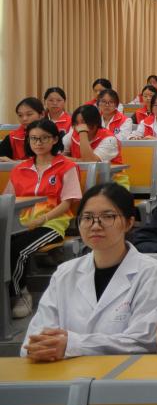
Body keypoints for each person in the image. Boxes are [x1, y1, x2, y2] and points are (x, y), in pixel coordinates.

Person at [22, 183, 157, 359]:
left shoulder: (150, 272)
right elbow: (35, 337)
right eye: (87, 217)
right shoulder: (65, 273)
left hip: (124, 371)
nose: (95, 226)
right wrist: (40, 347)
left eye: (108, 216)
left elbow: (143, 341)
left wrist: (72, 345)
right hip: (65, 371)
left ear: (129, 223)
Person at [3, 119, 82, 318]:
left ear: (54, 139)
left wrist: (43, 219)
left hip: (52, 224)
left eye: (44, 138)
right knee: (4, 245)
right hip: (21, 223)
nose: (38, 143)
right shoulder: (20, 168)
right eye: (33, 139)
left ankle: (20, 294)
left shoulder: (66, 166)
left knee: (18, 250)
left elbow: (67, 203)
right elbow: (8, 200)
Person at [0, 97, 44, 161]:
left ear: (42, 114)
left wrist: (13, 162)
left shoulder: (51, 135)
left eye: (29, 114)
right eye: (20, 115)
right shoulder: (12, 138)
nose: (24, 119)